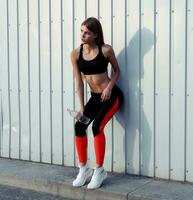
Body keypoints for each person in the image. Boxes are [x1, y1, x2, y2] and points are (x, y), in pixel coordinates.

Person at [70, 17, 124, 189]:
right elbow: (78, 81)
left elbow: (117, 71)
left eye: (87, 32)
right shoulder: (76, 53)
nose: (83, 35)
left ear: (95, 34)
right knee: (79, 126)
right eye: (81, 31)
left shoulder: (106, 50)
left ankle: (99, 170)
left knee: (96, 127)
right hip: (94, 98)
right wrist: (81, 107)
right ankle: (83, 169)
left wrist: (109, 87)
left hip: (111, 96)